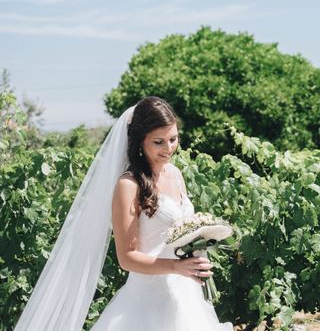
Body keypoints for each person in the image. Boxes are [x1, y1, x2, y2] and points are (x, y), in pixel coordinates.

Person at [13, 96, 233, 331]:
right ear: (140, 141)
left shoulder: (175, 173)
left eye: (173, 139)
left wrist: (196, 254)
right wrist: (176, 266)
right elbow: (127, 257)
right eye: (158, 142)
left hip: (185, 293)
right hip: (147, 301)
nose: (168, 148)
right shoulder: (129, 185)